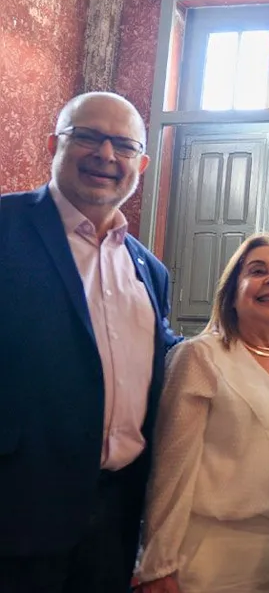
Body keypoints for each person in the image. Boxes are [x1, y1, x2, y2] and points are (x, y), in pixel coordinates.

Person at [0, 92, 180, 592]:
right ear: (54, 144)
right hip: (15, 515)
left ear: (141, 163)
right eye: (87, 137)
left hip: (114, 521)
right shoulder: (5, 228)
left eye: (122, 145)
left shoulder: (150, 270)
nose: (105, 155)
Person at [136, 234, 269, 592]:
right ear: (232, 293)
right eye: (258, 271)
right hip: (212, 557)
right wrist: (158, 564)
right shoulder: (200, 358)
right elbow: (171, 471)